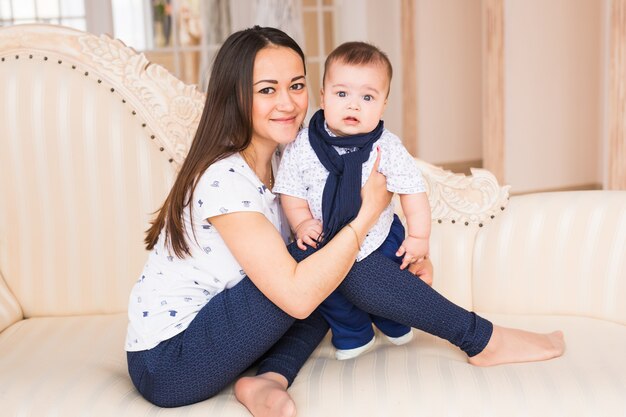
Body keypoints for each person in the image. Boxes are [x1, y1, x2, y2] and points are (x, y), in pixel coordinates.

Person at [125, 25, 565, 417]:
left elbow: (316, 275)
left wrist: (401, 275)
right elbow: (298, 296)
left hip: (230, 334)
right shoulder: (223, 178)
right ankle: (482, 339)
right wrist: (368, 212)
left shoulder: (288, 158)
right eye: (267, 90)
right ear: (235, 96)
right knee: (333, 262)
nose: (287, 103)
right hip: (171, 363)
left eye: (296, 85)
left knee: (329, 268)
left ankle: (269, 378)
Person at [274, 41, 432, 360]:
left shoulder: (386, 147)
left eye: (368, 97)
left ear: (383, 105)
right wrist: (302, 222)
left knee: (391, 288)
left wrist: (419, 237)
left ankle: (395, 322)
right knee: (330, 293)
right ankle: (354, 332)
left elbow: (413, 192)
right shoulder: (303, 144)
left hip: (380, 238)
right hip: (326, 241)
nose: (353, 106)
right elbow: (291, 190)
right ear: (323, 96)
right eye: (342, 94)